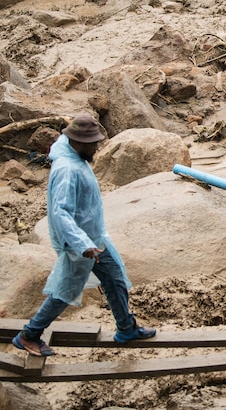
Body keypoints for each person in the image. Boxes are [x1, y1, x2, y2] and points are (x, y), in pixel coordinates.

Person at [12, 114, 156, 356]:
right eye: (93, 144)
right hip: (78, 242)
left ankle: (126, 328)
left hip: (94, 238)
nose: (97, 148)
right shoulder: (67, 169)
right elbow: (61, 213)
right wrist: (82, 245)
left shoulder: (73, 157)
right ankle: (29, 335)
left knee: (115, 279)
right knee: (65, 291)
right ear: (78, 143)